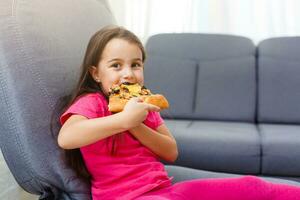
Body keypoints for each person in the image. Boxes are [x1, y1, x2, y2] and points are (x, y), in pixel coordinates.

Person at [57, 26, 300, 200]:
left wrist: (136, 123)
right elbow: (67, 137)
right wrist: (122, 120)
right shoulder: (93, 103)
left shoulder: (145, 105)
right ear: (96, 73)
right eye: (116, 65)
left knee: (251, 186)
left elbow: (170, 152)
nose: (128, 73)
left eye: (136, 64)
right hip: (124, 196)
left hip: (166, 190)